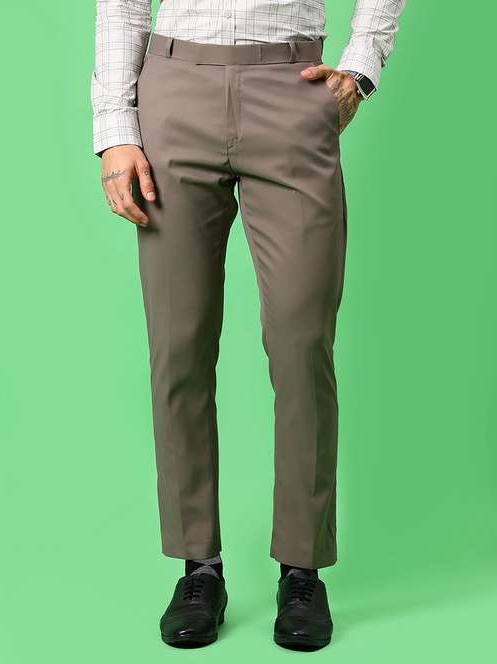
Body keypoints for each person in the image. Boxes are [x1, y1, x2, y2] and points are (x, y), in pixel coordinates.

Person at [90, 0, 406, 650]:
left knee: (302, 344)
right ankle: (198, 569)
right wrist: (115, 124)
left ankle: (302, 571)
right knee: (178, 345)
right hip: (175, 91)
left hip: (291, 89)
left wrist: (362, 63)